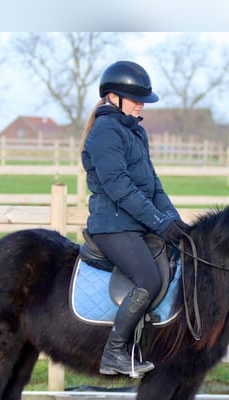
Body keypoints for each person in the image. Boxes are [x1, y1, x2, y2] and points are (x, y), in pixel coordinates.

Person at [80, 60, 190, 377]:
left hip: (135, 223)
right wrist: (159, 224)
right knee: (149, 279)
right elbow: (121, 189)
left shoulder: (135, 132)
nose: (142, 105)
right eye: (137, 99)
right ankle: (114, 352)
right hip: (112, 226)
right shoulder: (104, 133)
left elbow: (153, 185)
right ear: (113, 97)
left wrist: (176, 223)